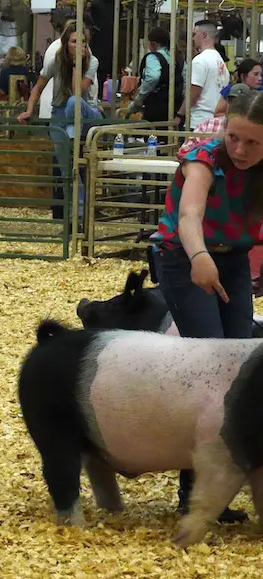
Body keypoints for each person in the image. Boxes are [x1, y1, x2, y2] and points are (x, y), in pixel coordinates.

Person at [150, 90, 263, 524]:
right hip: (183, 255)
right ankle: (192, 493)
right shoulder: (203, 158)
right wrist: (198, 257)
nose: (240, 149)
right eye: (235, 137)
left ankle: (215, 490)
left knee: (237, 366)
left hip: (232, 256)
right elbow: (190, 216)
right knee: (211, 365)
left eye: (253, 142)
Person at [18, 21, 102, 218]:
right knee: (67, 171)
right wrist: (29, 110)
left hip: (86, 111)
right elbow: (38, 87)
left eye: (83, 42)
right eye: (74, 42)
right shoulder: (55, 61)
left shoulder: (92, 61)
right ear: (65, 43)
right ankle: (77, 214)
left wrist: (76, 64)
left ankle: (72, 135)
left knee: (74, 102)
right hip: (60, 114)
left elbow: (77, 91)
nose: (80, 46)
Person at [174, 20, 228, 129]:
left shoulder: (200, 61)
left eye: (194, 34)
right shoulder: (220, 61)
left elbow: (193, 94)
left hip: (199, 122)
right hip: (217, 121)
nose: (192, 38)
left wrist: (179, 115)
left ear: (203, 35)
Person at [128, 26, 182, 123]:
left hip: (156, 105)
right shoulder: (177, 57)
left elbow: (153, 77)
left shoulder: (153, 57)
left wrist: (140, 98)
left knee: (152, 135)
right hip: (175, 105)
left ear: (153, 43)